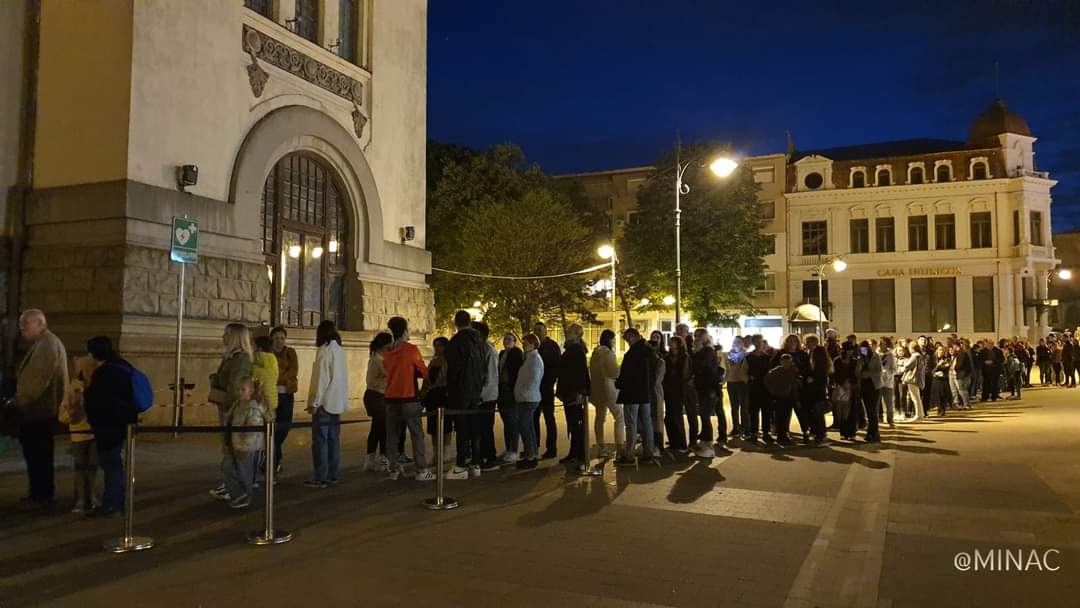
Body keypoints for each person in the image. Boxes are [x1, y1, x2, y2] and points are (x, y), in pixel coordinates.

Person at [13, 309, 69, 508]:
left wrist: (19, 401)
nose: (22, 330)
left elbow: (38, 381)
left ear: (39, 323)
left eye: (25, 326)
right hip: (37, 411)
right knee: (37, 454)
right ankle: (38, 492)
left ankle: (41, 495)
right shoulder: (43, 343)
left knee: (39, 455)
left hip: (39, 412)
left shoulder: (47, 345)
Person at [83, 336, 139, 518]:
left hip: (109, 426)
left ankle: (112, 505)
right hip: (124, 423)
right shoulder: (123, 366)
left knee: (111, 465)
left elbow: (95, 401)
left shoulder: (104, 373)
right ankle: (118, 502)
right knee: (115, 464)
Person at [382, 317, 433, 481]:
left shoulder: (387, 351)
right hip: (409, 397)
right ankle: (421, 470)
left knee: (392, 435)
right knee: (416, 434)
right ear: (405, 330)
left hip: (391, 397)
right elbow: (424, 371)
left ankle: (394, 469)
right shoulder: (411, 349)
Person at [209, 323, 253, 500]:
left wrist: (224, 401)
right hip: (227, 408)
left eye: (227, 334)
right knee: (229, 449)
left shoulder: (240, 359)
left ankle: (238, 489)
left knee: (234, 450)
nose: (223, 337)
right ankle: (230, 484)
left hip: (232, 410)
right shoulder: (231, 357)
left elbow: (235, 388)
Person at [304, 320, 348, 488]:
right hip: (337, 403)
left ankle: (321, 477)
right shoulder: (340, 351)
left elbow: (321, 379)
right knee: (333, 440)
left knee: (320, 441)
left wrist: (315, 401)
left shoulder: (324, 351)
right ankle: (333, 475)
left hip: (324, 403)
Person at [446, 311, 487, 479]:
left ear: (456, 323)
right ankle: (475, 463)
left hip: (461, 390)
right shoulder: (479, 341)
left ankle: (461, 464)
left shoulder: (456, 342)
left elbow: (453, 370)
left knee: (461, 429)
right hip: (475, 390)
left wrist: (450, 389)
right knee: (474, 428)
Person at [59, 356, 101, 514]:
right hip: (78, 433)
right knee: (80, 467)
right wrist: (71, 410)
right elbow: (63, 412)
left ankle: (92, 496)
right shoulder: (74, 387)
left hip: (95, 432)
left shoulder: (98, 386)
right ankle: (80, 499)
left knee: (93, 466)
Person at [222, 377, 266, 509]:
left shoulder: (253, 408)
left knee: (244, 472)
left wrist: (244, 445)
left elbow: (253, 430)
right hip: (234, 443)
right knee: (227, 467)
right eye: (238, 389)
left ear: (251, 391)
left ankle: (246, 495)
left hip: (245, 448)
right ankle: (238, 493)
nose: (239, 392)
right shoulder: (237, 405)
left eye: (243, 389)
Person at [614, 328, 657, 466]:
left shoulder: (633, 353)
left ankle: (629, 455)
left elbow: (627, 374)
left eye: (627, 339)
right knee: (647, 423)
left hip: (632, 393)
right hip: (645, 393)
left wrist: (619, 383)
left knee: (631, 424)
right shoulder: (649, 351)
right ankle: (648, 453)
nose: (627, 342)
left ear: (632, 337)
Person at [556, 323, 591, 466]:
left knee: (575, 424)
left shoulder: (576, 351)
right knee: (573, 423)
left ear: (576, 335)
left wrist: (580, 392)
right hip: (569, 391)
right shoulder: (573, 350)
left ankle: (577, 453)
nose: (567, 333)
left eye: (570, 332)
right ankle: (575, 452)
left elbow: (580, 373)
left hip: (573, 393)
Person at [362, 332, 393, 472]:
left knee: (377, 427)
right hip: (376, 396)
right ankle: (381, 457)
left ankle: (371, 457)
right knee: (381, 428)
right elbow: (385, 376)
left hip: (379, 395)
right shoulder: (377, 360)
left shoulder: (379, 358)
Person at [270, 326, 299, 474]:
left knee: (284, 426)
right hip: (272, 395)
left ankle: (273, 455)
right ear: (272, 340)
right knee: (272, 428)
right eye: (276, 338)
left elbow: (293, 371)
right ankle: (274, 461)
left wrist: (278, 377)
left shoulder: (291, 353)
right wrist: (281, 376)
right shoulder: (268, 354)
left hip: (286, 394)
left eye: (282, 338)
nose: (279, 341)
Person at [590, 329, 623, 457]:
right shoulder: (608, 354)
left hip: (597, 389)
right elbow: (614, 373)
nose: (614, 342)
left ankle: (601, 447)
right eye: (613, 339)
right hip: (609, 389)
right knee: (619, 417)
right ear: (610, 340)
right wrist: (621, 368)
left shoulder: (595, 353)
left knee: (600, 418)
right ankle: (620, 448)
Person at [513, 334, 544, 470]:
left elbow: (533, 380)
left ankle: (530, 456)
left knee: (525, 427)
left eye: (525, 343)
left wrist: (523, 393)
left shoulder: (534, 359)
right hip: (527, 397)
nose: (523, 346)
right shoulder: (531, 358)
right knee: (528, 427)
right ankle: (531, 453)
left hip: (528, 398)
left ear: (533, 344)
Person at [473, 321, 501, 471]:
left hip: (487, 396)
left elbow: (490, 377)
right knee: (479, 428)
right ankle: (481, 456)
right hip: (481, 394)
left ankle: (490, 457)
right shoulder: (479, 349)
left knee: (486, 428)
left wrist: (480, 395)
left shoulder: (489, 350)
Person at [422, 337, 452, 466]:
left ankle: (445, 452)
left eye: (440, 345)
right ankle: (435, 452)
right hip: (432, 396)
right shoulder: (433, 361)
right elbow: (426, 378)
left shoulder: (449, 361)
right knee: (433, 426)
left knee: (446, 425)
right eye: (436, 345)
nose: (438, 348)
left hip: (444, 395)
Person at [533, 321, 561, 459]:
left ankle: (551, 448)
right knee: (534, 418)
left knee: (549, 418)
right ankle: (534, 446)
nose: (537, 332)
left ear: (545, 331)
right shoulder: (534, 346)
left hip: (546, 387)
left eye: (540, 330)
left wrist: (550, 382)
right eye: (535, 330)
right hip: (534, 388)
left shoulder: (552, 347)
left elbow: (555, 367)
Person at [691, 329, 721, 457]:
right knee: (704, 415)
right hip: (703, 387)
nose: (697, 338)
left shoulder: (708, 351)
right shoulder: (703, 351)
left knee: (705, 415)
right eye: (695, 335)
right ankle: (704, 443)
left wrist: (697, 352)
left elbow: (703, 367)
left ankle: (709, 445)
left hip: (709, 388)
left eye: (700, 336)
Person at [497, 333, 524, 462]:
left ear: (514, 341)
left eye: (509, 339)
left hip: (510, 390)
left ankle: (514, 449)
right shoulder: (502, 353)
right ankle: (508, 448)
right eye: (505, 339)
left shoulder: (516, 353)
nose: (506, 341)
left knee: (512, 421)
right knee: (506, 422)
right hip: (502, 390)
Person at [663, 335, 692, 451]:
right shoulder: (667, 357)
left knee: (677, 415)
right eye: (670, 342)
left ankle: (681, 443)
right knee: (669, 416)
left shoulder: (684, 357)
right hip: (668, 388)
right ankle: (673, 441)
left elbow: (686, 373)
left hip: (679, 388)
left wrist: (681, 382)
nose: (670, 344)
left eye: (673, 342)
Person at [765, 354, 801, 447]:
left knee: (786, 417)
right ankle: (781, 435)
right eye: (785, 362)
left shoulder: (792, 371)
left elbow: (795, 383)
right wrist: (773, 391)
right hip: (779, 396)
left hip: (789, 396)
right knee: (780, 416)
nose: (787, 364)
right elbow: (768, 381)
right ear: (781, 362)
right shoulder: (776, 372)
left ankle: (784, 434)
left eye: (789, 362)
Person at [803, 335, 831, 445]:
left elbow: (821, 369)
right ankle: (816, 432)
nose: (807, 344)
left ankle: (821, 434)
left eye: (809, 342)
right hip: (812, 386)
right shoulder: (809, 353)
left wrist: (813, 377)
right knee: (813, 410)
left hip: (818, 386)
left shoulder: (819, 352)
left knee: (818, 410)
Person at [746, 334, 774, 444]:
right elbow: (745, 371)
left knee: (766, 410)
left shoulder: (767, 357)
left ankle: (766, 432)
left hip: (765, 386)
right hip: (754, 386)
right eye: (756, 341)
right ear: (753, 343)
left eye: (760, 341)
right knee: (754, 410)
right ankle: (754, 432)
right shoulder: (749, 357)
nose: (758, 343)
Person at [726, 336, 751, 441]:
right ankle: (736, 427)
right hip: (731, 382)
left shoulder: (746, 355)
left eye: (739, 342)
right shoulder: (729, 354)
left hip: (742, 382)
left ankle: (746, 428)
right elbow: (727, 369)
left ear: (742, 343)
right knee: (734, 407)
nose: (736, 343)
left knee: (744, 407)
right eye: (735, 342)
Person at [858, 340, 882, 442]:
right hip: (863, 386)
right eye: (861, 349)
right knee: (868, 411)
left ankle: (874, 434)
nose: (863, 351)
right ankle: (871, 433)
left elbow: (879, 371)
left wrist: (867, 373)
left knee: (872, 411)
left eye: (865, 349)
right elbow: (857, 371)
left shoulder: (875, 356)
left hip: (874, 385)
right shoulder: (860, 358)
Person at [648, 331, 666, 456]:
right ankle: (650, 443)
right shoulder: (647, 358)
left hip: (656, 390)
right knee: (649, 417)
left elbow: (658, 378)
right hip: (649, 391)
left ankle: (658, 445)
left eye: (657, 337)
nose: (655, 339)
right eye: (653, 337)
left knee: (658, 417)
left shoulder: (661, 359)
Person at [899, 341, 925, 421]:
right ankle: (921, 414)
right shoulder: (919, 355)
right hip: (916, 379)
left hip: (913, 379)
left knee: (915, 398)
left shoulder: (915, 356)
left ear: (912, 348)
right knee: (917, 397)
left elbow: (907, 365)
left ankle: (918, 415)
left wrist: (902, 365)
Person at [878, 337, 897, 427]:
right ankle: (879, 418)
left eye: (883, 344)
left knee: (889, 402)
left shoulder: (890, 355)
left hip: (887, 382)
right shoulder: (876, 354)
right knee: (878, 402)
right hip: (878, 381)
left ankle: (890, 420)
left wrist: (887, 373)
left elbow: (894, 368)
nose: (881, 345)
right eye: (880, 344)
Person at [949, 339, 973, 411]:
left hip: (960, 374)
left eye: (953, 346)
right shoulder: (958, 353)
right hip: (956, 374)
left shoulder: (961, 353)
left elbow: (960, 364)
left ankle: (967, 404)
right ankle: (957, 403)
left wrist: (954, 367)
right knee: (955, 390)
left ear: (955, 346)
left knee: (962, 390)